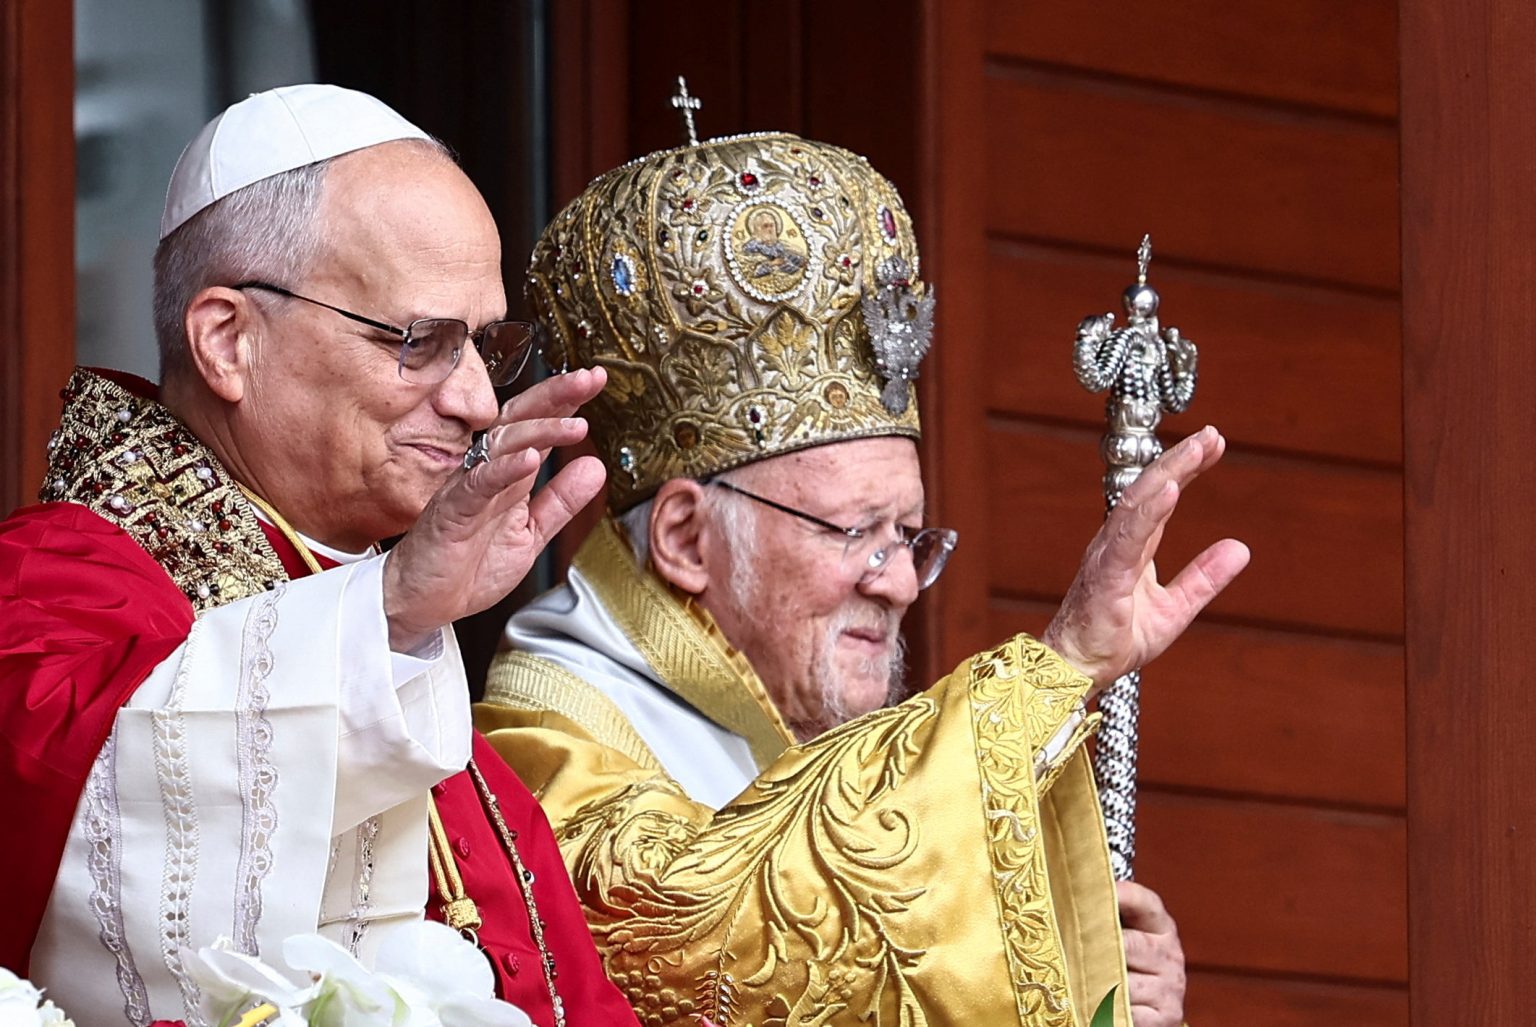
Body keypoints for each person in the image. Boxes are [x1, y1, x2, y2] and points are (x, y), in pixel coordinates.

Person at [478, 131, 1247, 1027]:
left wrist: (1093, 983)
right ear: (687, 538)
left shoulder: (825, 734)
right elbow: (716, 937)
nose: (900, 584)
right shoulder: (542, 744)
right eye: (855, 533)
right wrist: (1060, 663)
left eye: (910, 535)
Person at [0, 84, 638, 1027]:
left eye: (485, 346)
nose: (472, 400)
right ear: (228, 341)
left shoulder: (409, 678)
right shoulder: (49, 582)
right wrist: (390, 614)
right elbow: (60, 804)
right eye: (419, 342)